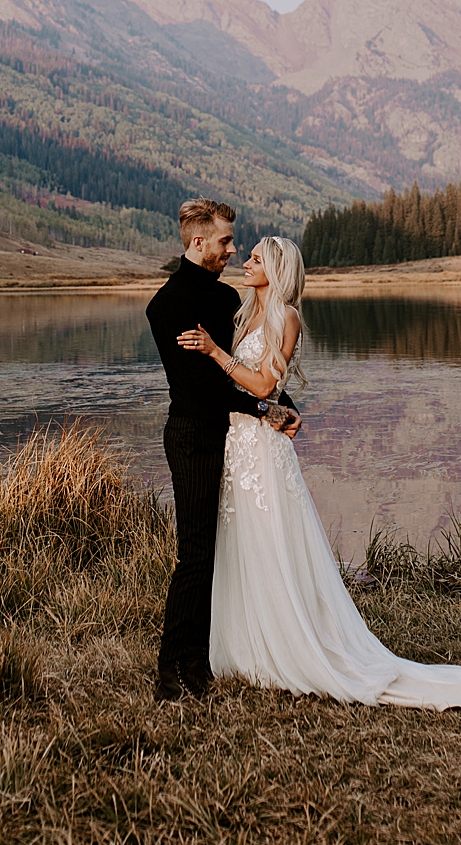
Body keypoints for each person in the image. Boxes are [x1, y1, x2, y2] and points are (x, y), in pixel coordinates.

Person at [177, 235, 461, 711]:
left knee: (272, 541)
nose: (246, 263)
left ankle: (291, 647)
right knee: (243, 541)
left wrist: (214, 354)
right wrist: (273, 403)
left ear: (277, 268)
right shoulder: (245, 316)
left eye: (256, 259)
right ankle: (245, 648)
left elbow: (264, 383)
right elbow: (261, 396)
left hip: (263, 451)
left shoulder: (286, 316)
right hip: (240, 441)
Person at [146, 199, 299, 700]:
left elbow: (248, 367)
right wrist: (263, 413)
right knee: (194, 554)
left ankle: (201, 661)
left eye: (235, 243)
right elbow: (198, 388)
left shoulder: (226, 300)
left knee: (217, 553)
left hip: (231, 439)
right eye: (225, 242)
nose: (232, 251)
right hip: (192, 435)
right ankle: (171, 667)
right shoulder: (166, 305)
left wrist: (283, 404)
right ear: (197, 243)